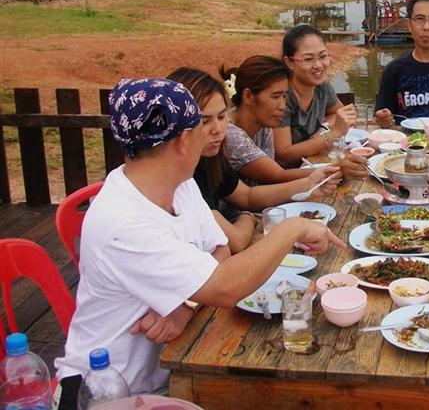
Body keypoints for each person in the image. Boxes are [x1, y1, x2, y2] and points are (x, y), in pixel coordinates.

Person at [54, 78, 344, 409]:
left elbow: (220, 250)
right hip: (106, 392)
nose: (214, 131)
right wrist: (292, 228)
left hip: (167, 374)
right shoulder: (123, 221)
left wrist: (188, 306)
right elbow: (225, 287)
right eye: (201, 124)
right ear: (184, 139)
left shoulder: (179, 184)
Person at [167, 67, 341, 253]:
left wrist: (310, 184)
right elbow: (237, 240)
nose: (218, 129)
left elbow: (247, 196)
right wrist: (247, 217)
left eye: (222, 116)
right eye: (204, 120)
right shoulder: (183, 176)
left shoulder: (209, 158)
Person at [221, 55, 365, 186]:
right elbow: (277, 176)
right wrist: (338, 169)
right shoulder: (230, 134)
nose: (282, 106)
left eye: (284, 96)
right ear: (248, 96)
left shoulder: (263, 124)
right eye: (275, 96)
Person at [273, 25, 357, 168]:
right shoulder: (282, 96)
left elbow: (339, 114)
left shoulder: (321, 86)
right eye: (308, 59)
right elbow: (283, 155)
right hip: (286, 174)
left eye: (323, 56)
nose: (318, 65)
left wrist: (323, 129)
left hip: (314, 164)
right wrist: (332, 134)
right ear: (289, 62)